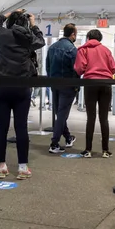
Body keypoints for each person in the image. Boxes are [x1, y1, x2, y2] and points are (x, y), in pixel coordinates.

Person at [0, 10, 45, 179]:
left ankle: (1, 166)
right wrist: (34, 25)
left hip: (1, 87)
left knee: (1, 127)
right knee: (21, 128)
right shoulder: (28, 38)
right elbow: (41, 41)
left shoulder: (2, 34)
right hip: (22, 88)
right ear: (25, 23)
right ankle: (22, 167)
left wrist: (7, 14)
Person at [75, 29, 115, 158]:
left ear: (88, 37)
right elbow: (114, 68)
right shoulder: (106, 50)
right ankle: (105, 150)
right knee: (104, 118)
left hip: (90, 84)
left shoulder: (83, 50)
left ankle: (88, 150)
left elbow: (79, 68)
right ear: (100, 39)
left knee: (91, 118)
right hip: (105, 84)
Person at [46, 23, 78, 154]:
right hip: (68, 85)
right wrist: (76, 86)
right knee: (62, 114)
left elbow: (48, 67)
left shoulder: (52, 48)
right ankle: (54, 144)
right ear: (72, 34)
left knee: (59, 113)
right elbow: (76, 69)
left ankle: (68, 137)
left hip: (55, 84)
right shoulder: (72, 49)